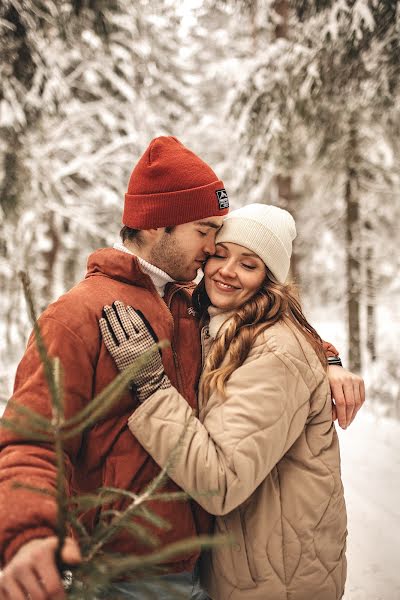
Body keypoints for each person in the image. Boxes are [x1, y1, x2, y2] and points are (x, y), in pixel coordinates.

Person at [0, 135, 361, 600]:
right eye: (206, 229)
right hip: (119, 573)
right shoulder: (76, 317)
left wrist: (326, 358)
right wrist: (30, 533)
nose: (214, 248)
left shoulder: (188, 302)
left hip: (197, 569)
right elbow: (32, 441)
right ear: (157, 225)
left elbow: (268, 325)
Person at [101, 203, 350, 600]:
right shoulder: (224, 325)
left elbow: (220, 482)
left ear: (269, 281)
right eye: (220, 254)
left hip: (276, 581)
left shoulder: (273, 352)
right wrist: (330, 357)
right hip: (250, 566)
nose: (226, 270)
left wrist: (150, 386)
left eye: (248, 264)